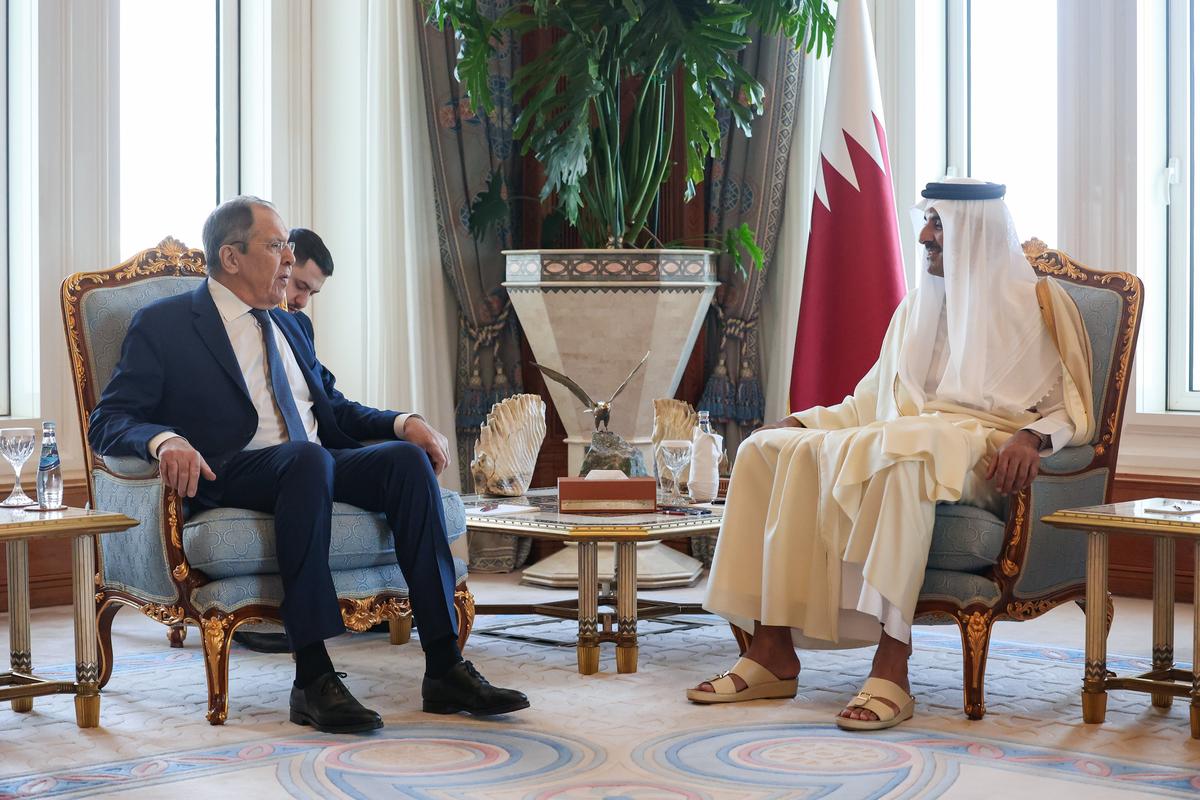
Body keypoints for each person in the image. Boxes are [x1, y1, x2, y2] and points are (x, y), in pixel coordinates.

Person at [90, 196, 529, 733]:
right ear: (231, 257)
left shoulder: (291, 326)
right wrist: (163, 440)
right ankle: (313, 678)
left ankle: (444, 666)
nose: (287, 259)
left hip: (312, 461)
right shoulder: (165, 324)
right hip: (234, 470)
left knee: (405, 462)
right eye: (276, 247)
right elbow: (108, 418)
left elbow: (334, 407)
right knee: (305, 461)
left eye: (287, 247)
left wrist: (402, 422)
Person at [687, 178, 1094, 731]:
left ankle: (891, 665)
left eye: (938, 225)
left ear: (974, 232)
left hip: (984, 449)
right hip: (903, 438)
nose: (924, 235)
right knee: (767, 449)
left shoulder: (1041, 306)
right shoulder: (915, 309)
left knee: (903, 455)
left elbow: (1074, 409)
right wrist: (803, 422)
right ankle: (770, 651)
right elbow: (869, 403)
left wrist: (1033, 438)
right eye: (925, 220)